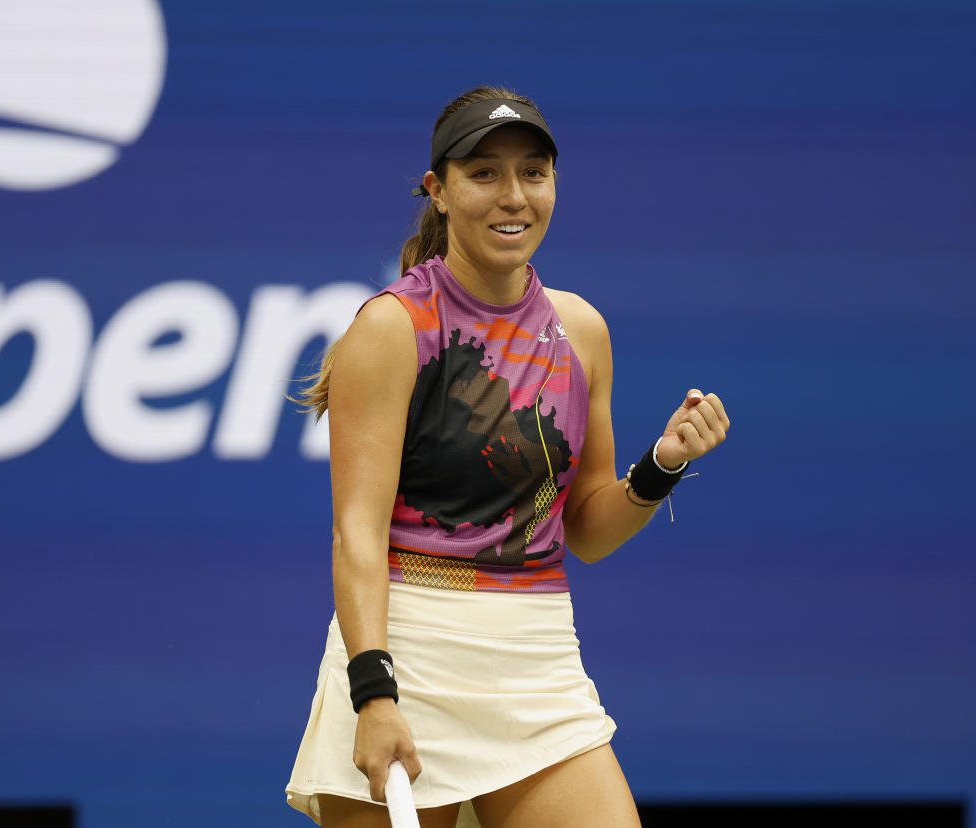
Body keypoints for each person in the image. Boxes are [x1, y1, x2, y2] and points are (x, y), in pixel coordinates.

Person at [285, 86, 730, 828]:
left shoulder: (582, 331)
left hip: (537, 661)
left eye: (533, 172)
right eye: (484, 173)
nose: (513, 195)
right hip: (408, 649)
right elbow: (356, 533)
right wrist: (373, 693)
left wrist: (662, 466)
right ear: (440, 192)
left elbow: (585, 530)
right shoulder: (391, 329)